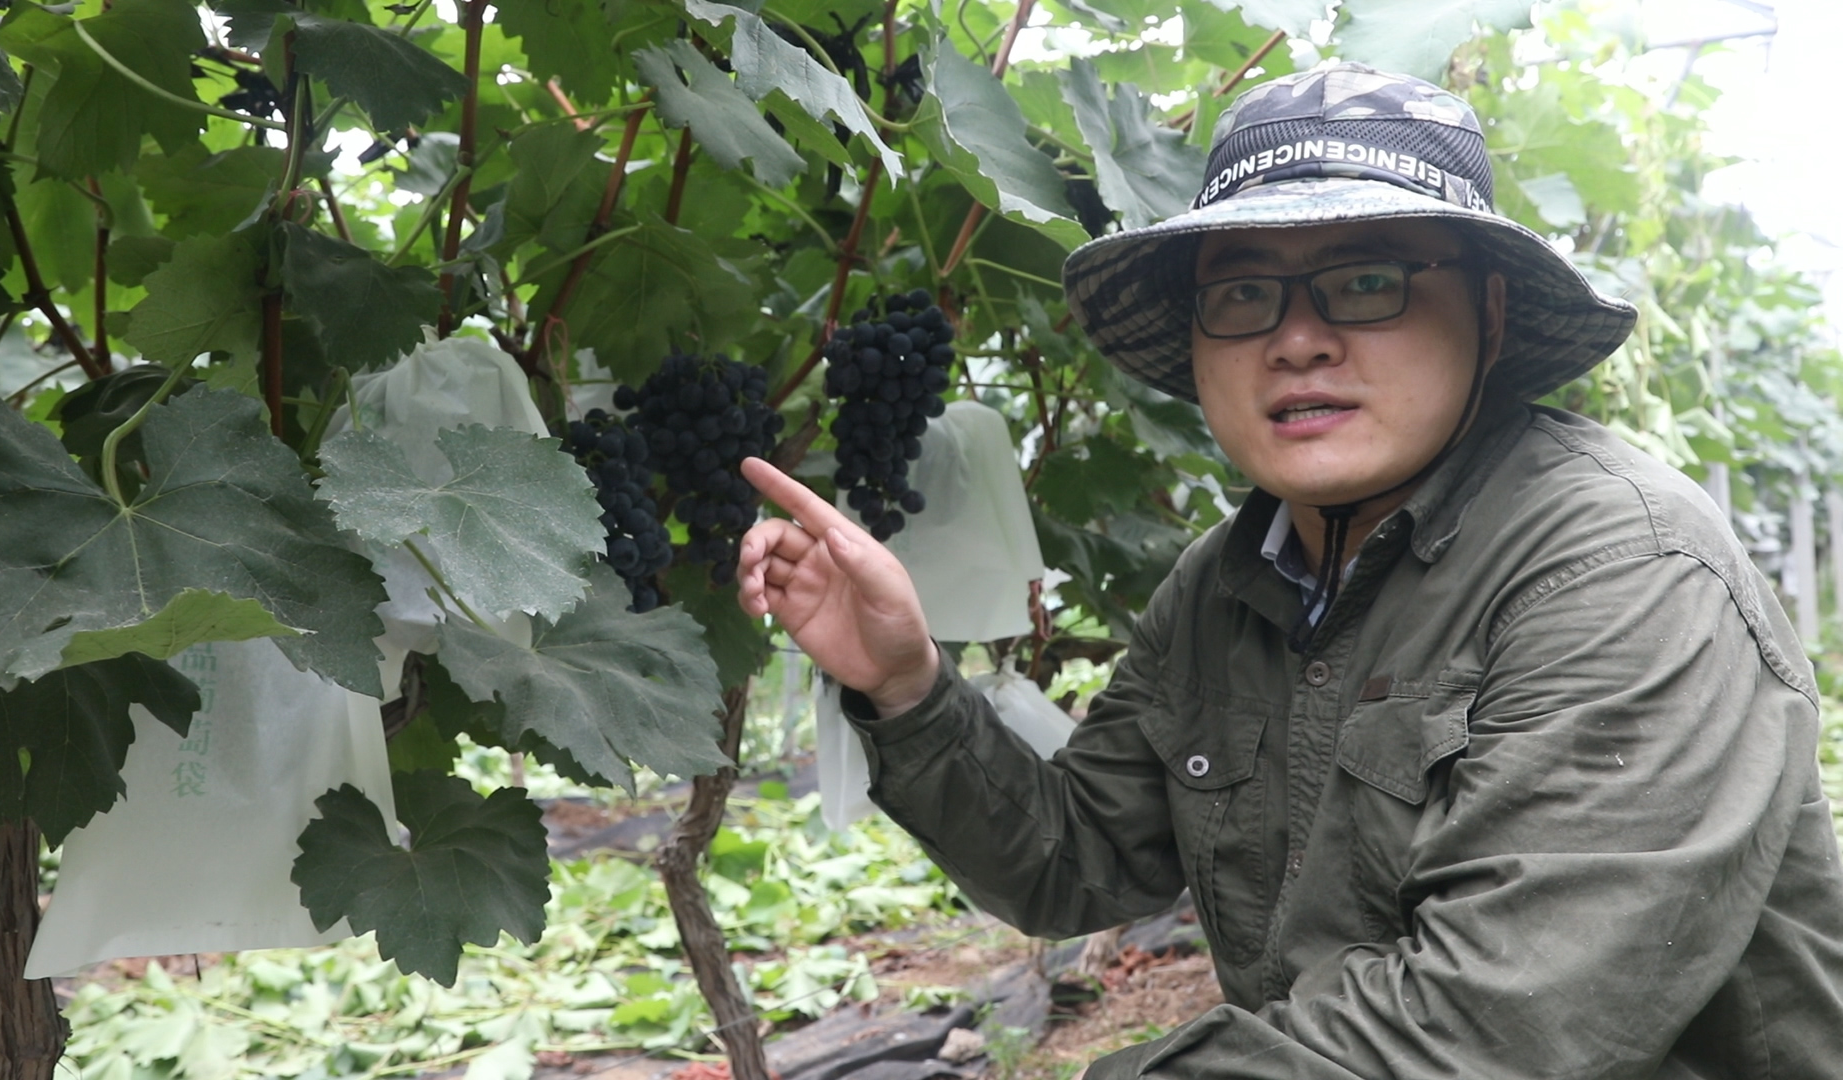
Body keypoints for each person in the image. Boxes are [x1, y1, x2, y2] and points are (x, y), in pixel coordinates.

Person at [737, 63, 1843, 1078]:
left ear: (1491, 314)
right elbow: (1074, 858)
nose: (1298, 340)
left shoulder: (1623, 571)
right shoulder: (1226, 585)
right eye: (1243, 294)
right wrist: (908, 686)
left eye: (1367, 279)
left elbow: (1491, 1029)